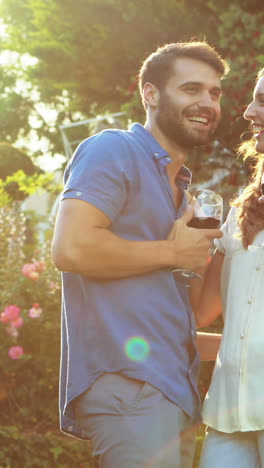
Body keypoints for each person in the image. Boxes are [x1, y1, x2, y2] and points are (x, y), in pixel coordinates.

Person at [51, 41, 228, 468]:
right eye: (191, 89)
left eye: (214, 93)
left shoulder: (183, 193)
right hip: (132, 388)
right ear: (149, 93)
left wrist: (235, 245)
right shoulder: (113, 149)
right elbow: (71, 248)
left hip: (176, 394)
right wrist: (172, 251)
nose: (206, 102)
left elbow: (192, 314)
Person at [195, 67, 264, 468]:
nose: (248, 112)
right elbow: (204, 311)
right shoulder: (237, 211)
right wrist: (186, 250)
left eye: (262, 100)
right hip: (227, 413)